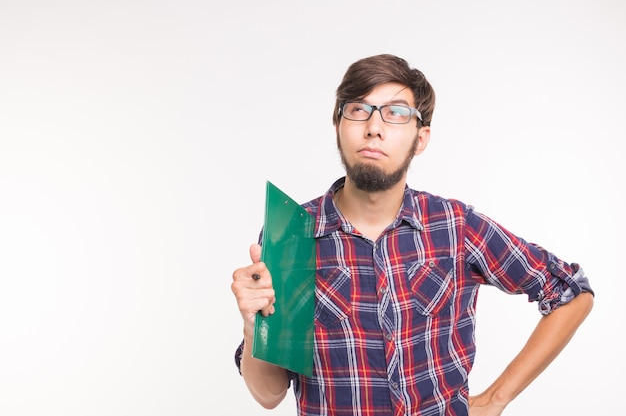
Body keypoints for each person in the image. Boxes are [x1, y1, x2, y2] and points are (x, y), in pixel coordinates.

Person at [230, 54, 594, 416]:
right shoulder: (293, 235)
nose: (374, 127)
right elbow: (270, 394)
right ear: (338, 123)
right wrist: (252, 325)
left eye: (396, 113)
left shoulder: (455, 226)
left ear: (421, 139)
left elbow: (570, 293)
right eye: (358, 110)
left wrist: (496, 398)